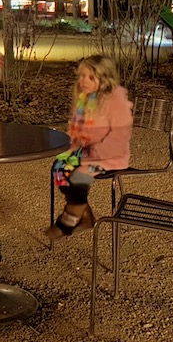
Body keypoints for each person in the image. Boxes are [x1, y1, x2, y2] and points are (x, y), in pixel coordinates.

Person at [48, 54, 132, 240]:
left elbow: (119, 138)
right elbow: (78, 133)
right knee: (59, 167)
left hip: (110, 156)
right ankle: (84, 212)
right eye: (81, 75)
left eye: (90, 77)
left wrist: (91, 154)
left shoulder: (116, 102)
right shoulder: (84, 99)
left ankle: (68, 221)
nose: (83, 81)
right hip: (85, 152)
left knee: (79, 174)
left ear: (104, 80)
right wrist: (72, 150)